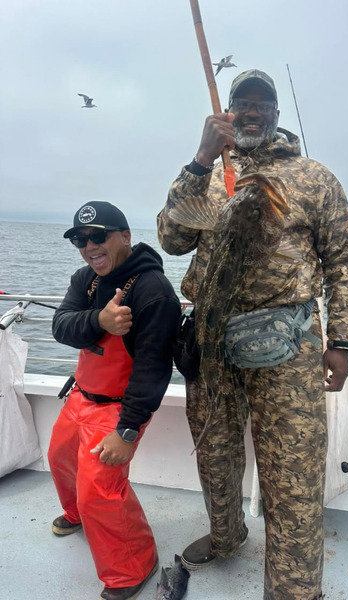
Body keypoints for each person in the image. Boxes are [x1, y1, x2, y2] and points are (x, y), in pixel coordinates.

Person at [157, 69, 348, 600]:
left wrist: (342, 342)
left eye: (262, 104)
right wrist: (200, 159)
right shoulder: (209, 173)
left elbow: (342, 262)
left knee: (293, 470)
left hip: (288, 344)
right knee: (214, 452)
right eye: (241, 102)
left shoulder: (314, 178)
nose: (252, 111)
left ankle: (293, 590)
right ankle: (227, 537)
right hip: (211, 339)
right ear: (227, 111)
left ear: (276, 113)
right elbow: (172, 239)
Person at [48, 201, 181, 600]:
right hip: (81, 394)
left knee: (99, 489)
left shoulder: (153, 291)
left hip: (120, 407)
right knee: (59, 457)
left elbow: (153, 370)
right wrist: (99, 321)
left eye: (98, 236)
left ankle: (134, 566)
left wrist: (127, 430)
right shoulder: (85, 279)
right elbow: (61, 326)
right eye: (80, 239)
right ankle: (78, 515)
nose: (89, 246)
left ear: (125, 236)